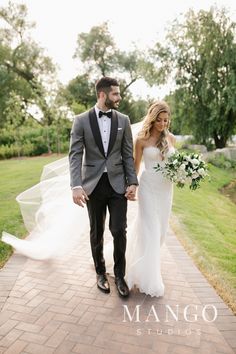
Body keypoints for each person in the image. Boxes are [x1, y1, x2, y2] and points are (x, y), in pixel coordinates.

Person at [69, 77, 138, 297]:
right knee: (96, 231)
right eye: (115, 94)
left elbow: (128, 154)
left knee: (119, 230)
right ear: (102, 94)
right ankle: (100, 273)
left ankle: (119, 276)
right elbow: (75, 155)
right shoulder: (81, 121)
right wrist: (76, 185)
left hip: (118, 184)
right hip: (93, 185)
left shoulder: (124, 120)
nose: (119, 97)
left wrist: (133, 182)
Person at [125, 100, 175, 297]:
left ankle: (142, 262)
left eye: (166, 120)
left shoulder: (171, 139)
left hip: (166, 190)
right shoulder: (141, 140)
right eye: (159, 120)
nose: (163, 124)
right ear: (152, 120)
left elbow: (173, 165)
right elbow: (136, 168)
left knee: (161, 232)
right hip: (148, 188)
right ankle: (150, 279)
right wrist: (132, 187)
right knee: (152, 231)